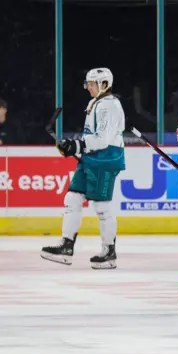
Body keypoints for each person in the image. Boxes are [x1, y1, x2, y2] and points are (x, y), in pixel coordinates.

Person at [41, 68, 126, 269]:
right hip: (92, 157)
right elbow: (93, 137)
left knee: (102, 207)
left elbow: (103, 140)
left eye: (92, 84)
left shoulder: (109, 106)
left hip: (105, 159)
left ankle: (109, 252)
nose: (88, 88)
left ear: (104, 84)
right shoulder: (96, 102)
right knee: (72, 197)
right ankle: (66, 247)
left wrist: (77, 145)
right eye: (87, 84)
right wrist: (76, 146)